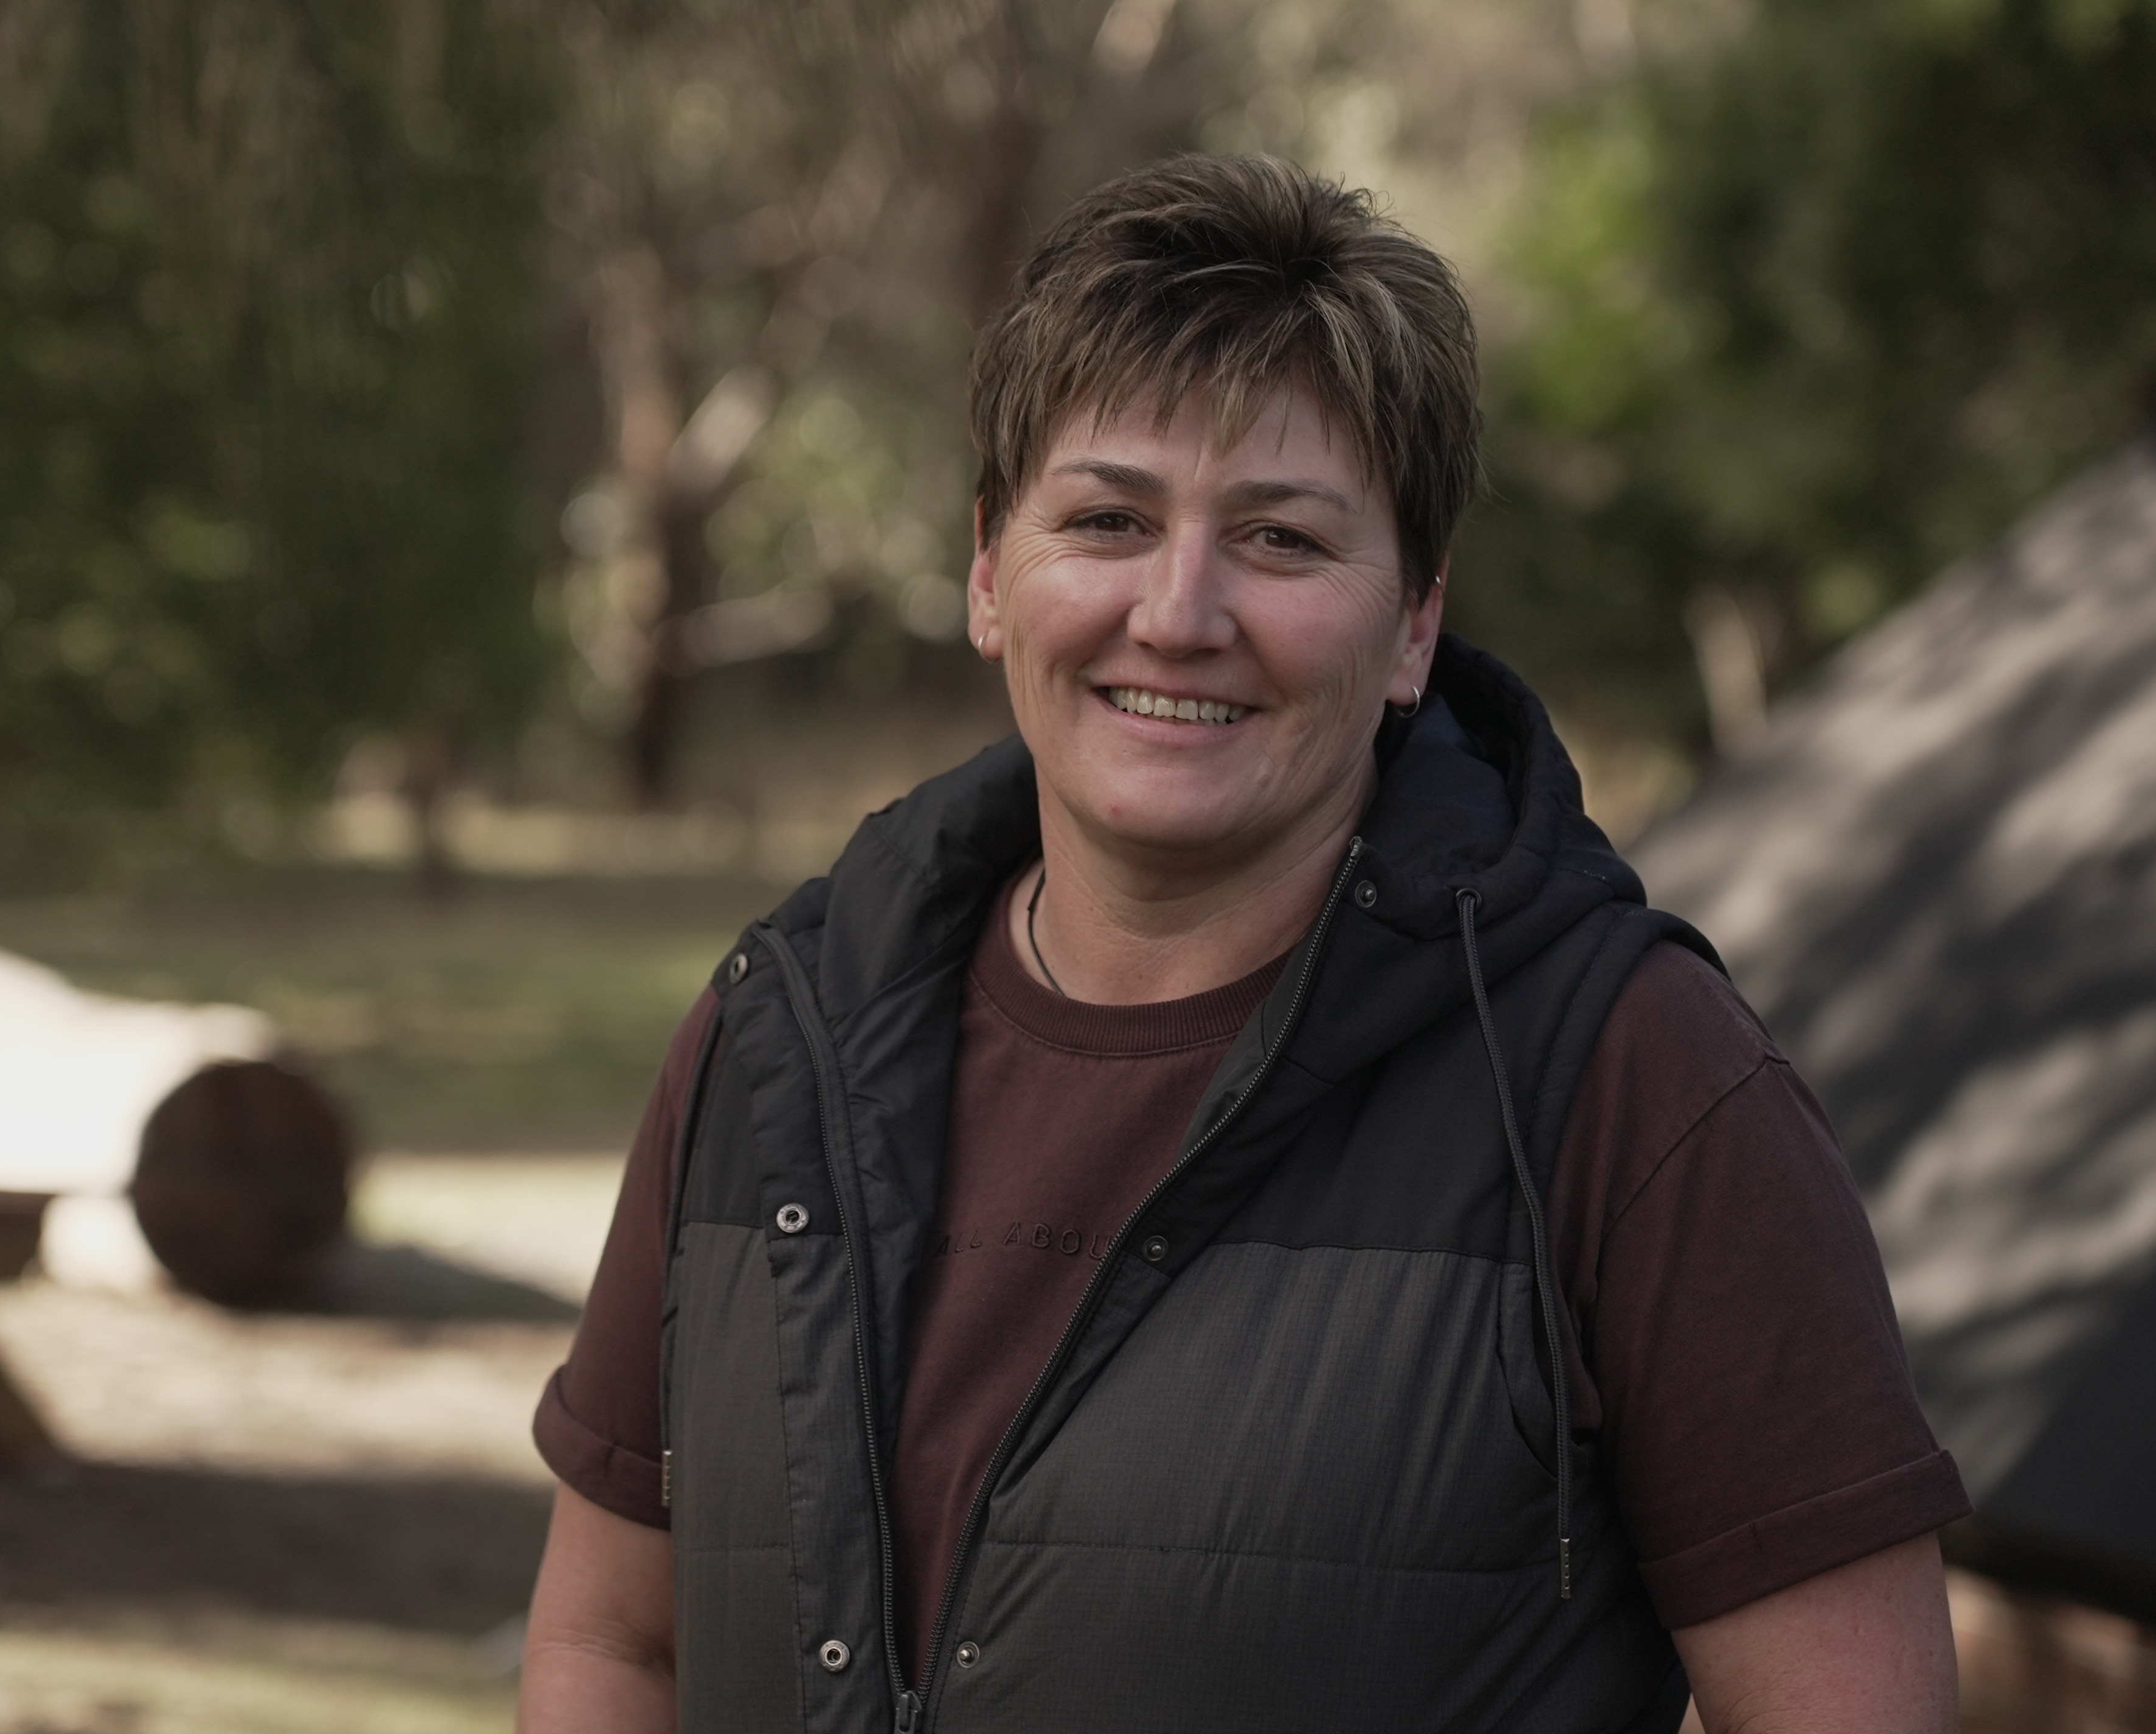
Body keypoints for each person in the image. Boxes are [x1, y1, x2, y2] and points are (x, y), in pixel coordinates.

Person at [519, 154, 1968, 1733]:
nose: (1180, 610)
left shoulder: (1632, 1084)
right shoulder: (778, 1036)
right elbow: (618, 1648)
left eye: (1281, 540)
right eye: (1107, 520)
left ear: (1414, 622)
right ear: (992, 569)